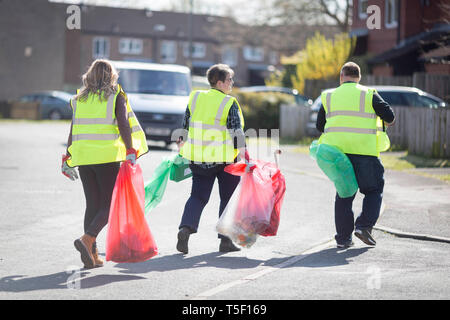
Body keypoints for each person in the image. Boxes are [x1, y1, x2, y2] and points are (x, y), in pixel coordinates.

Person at [61, 59, 148, 268]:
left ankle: (92, 255)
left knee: (92, 204)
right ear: (111, 75)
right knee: (109, 206)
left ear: (90, 75)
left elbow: (74, 129)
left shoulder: (79, 97)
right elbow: (123, 123)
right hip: (106, 157)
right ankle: (88, 239)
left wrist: (67, 157)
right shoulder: (115, 94)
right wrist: (130, 150)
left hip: (83, 158)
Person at [315, 62, 395, 248]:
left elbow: (320, 126)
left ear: (341, 77)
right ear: (359, 77)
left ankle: (343, 239)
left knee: (344, 195)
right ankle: (364, 227)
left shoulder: (328, 96)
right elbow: (390, 117)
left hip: (338, 155)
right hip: (364, 152)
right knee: (373, 191)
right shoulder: (368, 94)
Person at [176, 64, 249, 254]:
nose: (232, 83)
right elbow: (236, 130)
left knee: (198, 197)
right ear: (219, 83)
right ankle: (225, 241)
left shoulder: (196, 97)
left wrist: (181, 144)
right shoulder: (228, 102)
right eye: (229, 80)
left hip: (199, 158)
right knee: (228, 199)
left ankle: (185, 228)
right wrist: (245, 154)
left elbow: (185, 124)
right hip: (225, 160)